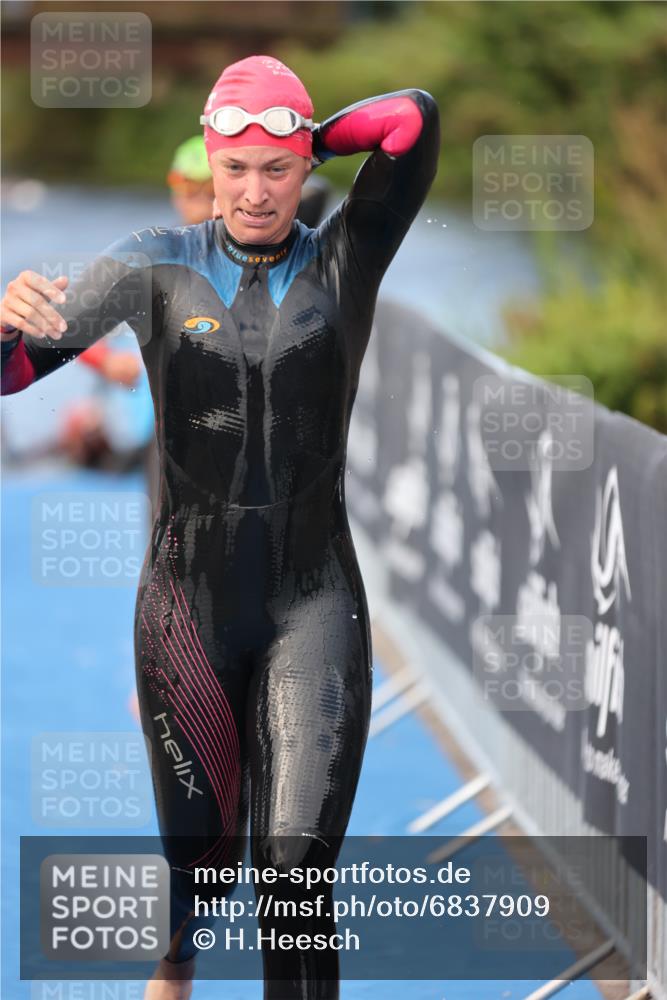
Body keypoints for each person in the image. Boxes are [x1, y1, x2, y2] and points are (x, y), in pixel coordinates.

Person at [0, 54, 439, 999]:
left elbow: (412, 118)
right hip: (185, 612)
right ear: (208, 160)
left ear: (304, 168)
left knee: (294, 876)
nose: (253, 191)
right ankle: (177, 963)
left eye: (276, 170)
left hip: (312, 602)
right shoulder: (154, 263)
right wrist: (4, 325)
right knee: (203, 867)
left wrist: (301, 132)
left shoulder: (347, 253)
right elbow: (12, 373)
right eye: (233, 167)